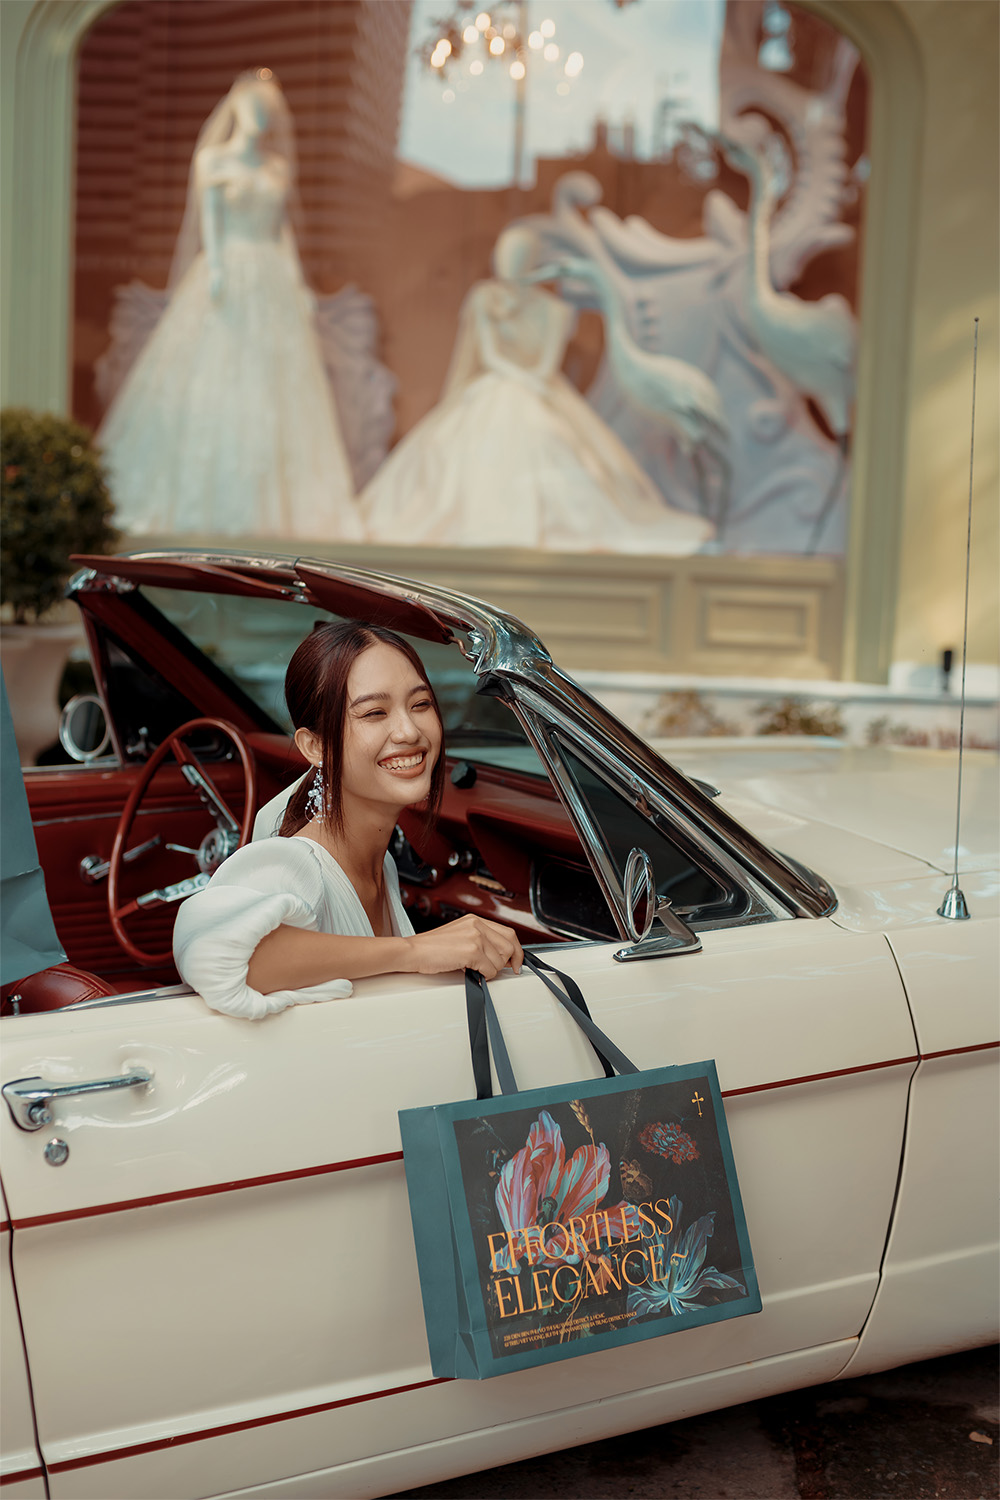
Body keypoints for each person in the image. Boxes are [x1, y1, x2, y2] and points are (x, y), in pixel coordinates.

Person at [172, 622, 523, 1018]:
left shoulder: (383, 864)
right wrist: (417, 949)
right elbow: (213, 953)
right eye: (375, 712)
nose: (409, 731)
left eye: (421, 704)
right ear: (315, 746)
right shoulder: (296, 865)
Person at [98, 70, 359, 540]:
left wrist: (297, 282)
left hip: (272, 279)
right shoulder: (213, 161)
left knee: (275, 388)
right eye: (253, 109)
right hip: (226, 271)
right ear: (236, 110)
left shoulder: (277, 169)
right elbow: (209, 225)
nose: (260, 119)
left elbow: (283, 233)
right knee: (213, 381)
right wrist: (216, 268)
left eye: (268, 112)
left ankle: (275, 512)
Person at [360, 224, 713, 554]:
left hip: (536, 388)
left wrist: (527, 382)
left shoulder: (554, 310)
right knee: (467, 444)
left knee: (553, 442)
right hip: (500, 385)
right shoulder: (485, 299)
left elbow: (546, 364)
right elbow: (489, 354)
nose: (509, 264)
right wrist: (518, 380)